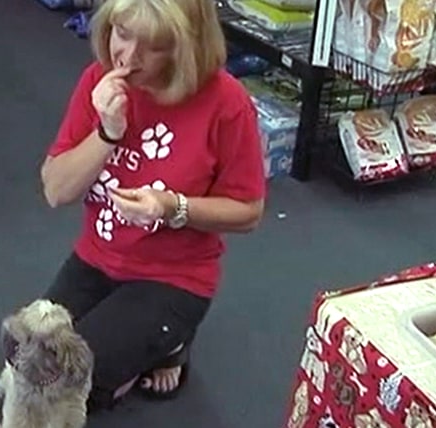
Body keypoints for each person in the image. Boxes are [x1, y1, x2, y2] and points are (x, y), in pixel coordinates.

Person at [39, 0, 266, 411]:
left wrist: (171, 207)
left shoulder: (226, 102)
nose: (127, 56)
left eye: (153, 45)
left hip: (174, 276)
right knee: (29, 359)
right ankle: (140, 349)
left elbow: (248, 211)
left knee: (72, 383)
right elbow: (56, 190)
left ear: (184, 46)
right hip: (97, 258)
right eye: (122, 33)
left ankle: (171, 344)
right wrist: (107, 132)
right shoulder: (98, 80)